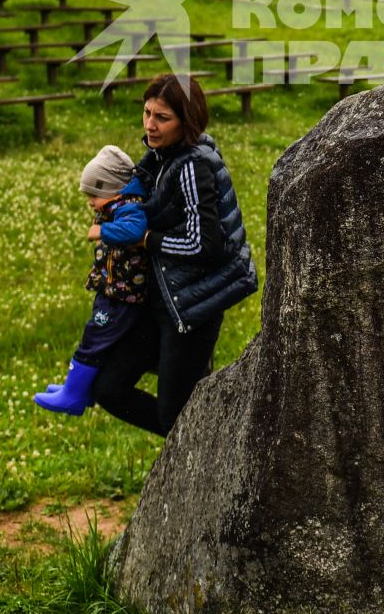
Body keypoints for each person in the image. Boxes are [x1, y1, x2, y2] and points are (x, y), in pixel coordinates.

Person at [87, 75, 259, 437]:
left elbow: (205, 246)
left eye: (162, 117)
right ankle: (200, 442)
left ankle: (206, 449)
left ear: (187, 120)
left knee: (173, 417)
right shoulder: (157, 158)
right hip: (161, 299)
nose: (150, 124)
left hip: (192, 309)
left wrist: (146, 240)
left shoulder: (192, 166)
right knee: (108, 388)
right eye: (147, 112)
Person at [32, 145, 151, 416]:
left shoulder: (130, 208)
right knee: (95, 336)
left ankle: (73, 395)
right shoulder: (120, 205)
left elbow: (135, 230)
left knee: (95, 338)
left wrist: (102, 230)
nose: (90, 202)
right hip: (114, 291)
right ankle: (78, 389)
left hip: (122, 296)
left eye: (94, 195)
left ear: (112, 190)